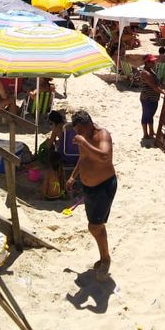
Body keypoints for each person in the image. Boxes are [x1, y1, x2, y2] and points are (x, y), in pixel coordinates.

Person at [65, 110, 116, 281]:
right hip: (88, 188)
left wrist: (84, 142)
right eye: (76, 132)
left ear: (89, 125)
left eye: (80, 130)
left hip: (104, 186)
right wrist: (73, 176)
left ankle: (105, 259)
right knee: (96, 225)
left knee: (94, 226)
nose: (78, 135)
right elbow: (83, 157)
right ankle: (103, 256)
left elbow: (105, 157)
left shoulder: (103, 135)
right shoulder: (83, 137)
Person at [139, 54, 164, 143]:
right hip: (147, 97)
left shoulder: (150, 70)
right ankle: (145, 134)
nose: (154, 62)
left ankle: (151, 131)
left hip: (152, 97)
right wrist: (164, 92)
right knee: (146, 115)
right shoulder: (145, 73)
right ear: (147, 62)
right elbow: (154, 87)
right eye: (152, 61)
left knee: (150, 115)